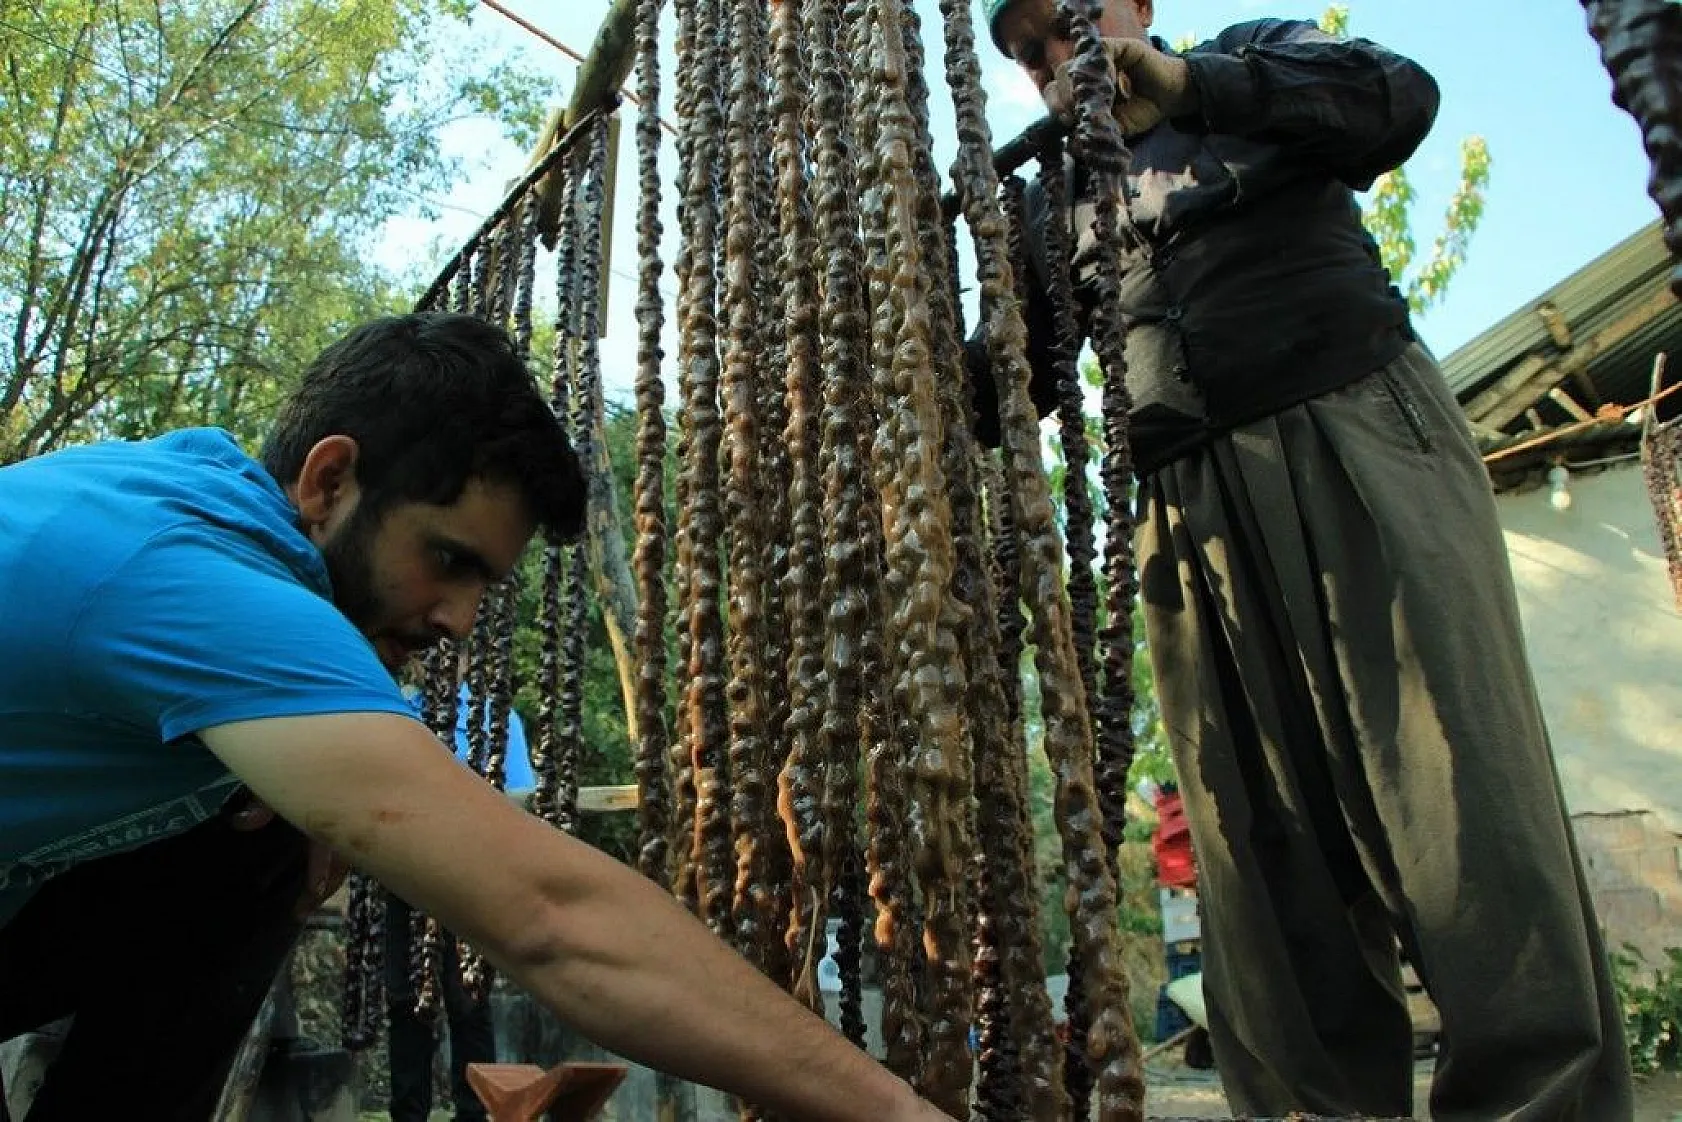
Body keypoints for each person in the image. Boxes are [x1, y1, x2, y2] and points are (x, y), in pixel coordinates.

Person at [0, 312, 951, 1122]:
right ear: (329, 481)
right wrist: (899, 1112)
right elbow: (552, 917)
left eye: (482, 584)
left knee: (273, 828)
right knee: (267, 846)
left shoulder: (177, 494)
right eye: (449, 560)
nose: (457, 620)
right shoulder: (199, 586)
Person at [972, 1, 1634, 1117]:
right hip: (1186, 512)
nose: (1051, 64)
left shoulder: (1251, 61)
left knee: (1457, 797)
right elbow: (1007, 382)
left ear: (1135, 7)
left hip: (1355, 433)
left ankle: (1540, 1101)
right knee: (1255, 849)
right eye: (1029, 55)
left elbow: (1394, 104)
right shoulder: (1050, 201)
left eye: (1068, 25)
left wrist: (1186, 89)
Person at [384, 667, 534, 1122]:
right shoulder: (395, 709)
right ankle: (408, 1114)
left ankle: (473, 1113)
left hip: (472, 878)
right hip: (404, 878)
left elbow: (520, 795)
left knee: (468, 1000)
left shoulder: (495, 716)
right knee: (406, 1002)